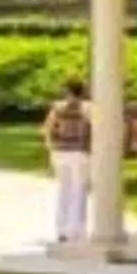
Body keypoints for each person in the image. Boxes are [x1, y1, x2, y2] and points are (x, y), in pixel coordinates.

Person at [41, 80, 92, 244]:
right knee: (79, 191)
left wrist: (50, 147)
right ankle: (76, 229)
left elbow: (48, 128)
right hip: (79, 152)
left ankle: (61, 229)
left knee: (64, 190)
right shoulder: (87, 108)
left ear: (68, 91)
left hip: (61, 151)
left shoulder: (57, 107)